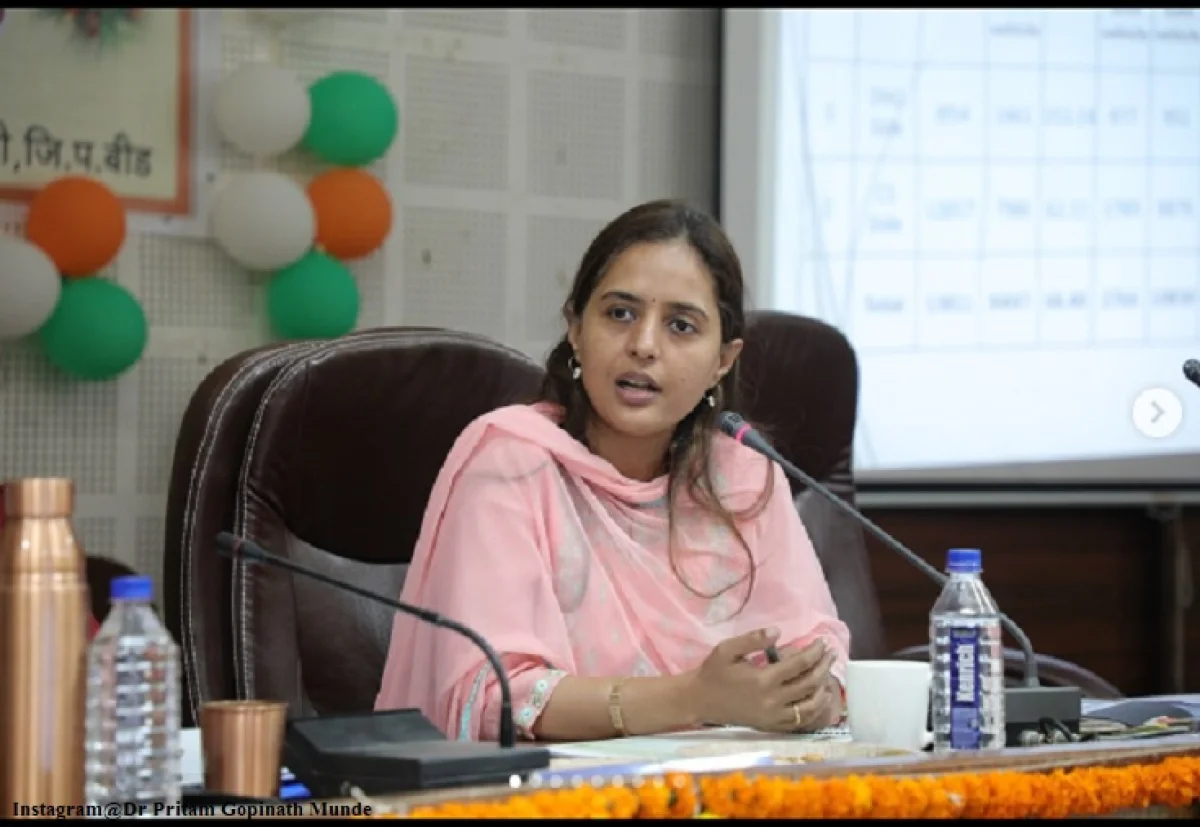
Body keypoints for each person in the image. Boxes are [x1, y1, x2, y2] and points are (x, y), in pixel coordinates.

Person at [375, 199, 850, 742]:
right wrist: (693, 698)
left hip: (732, 778)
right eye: (620, 314)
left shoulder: (741, 473)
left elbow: (817, 645)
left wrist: (815, 694)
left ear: (723, 360)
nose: (643, 346)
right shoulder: (512, 464)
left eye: (681, 325)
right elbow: (489, 699)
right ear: (576, 329)